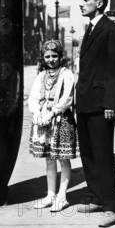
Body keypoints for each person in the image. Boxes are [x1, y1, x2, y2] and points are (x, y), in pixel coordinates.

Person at [76, 0, 115, 228]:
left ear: (99, 4)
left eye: (86, 0)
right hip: (85, 101)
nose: (81, 3)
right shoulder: (90, 29)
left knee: (103, 155)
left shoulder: (112, 29)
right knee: (87, 152)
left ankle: (109, 206)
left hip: (101, 103)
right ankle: (96, 197)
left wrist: (111, 103)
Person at [28, 40, 79, 213]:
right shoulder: (41, 75)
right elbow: (34, 97)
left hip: (61, 119)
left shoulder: (66, 74)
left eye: (54, 56)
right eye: (47, 56)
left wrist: (52, 113)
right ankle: (50, 195)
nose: (51, 59)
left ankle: (62, 196)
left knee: (62, 158)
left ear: (60, 57)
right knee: (49, 159)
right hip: (43, 120)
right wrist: (37, 114)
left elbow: (67, 99)